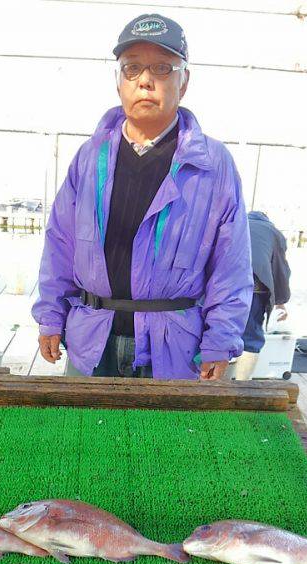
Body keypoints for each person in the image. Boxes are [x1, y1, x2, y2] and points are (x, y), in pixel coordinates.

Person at [33, 13, 253, 380]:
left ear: (184, 82)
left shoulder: (214, 165)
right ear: (118, 82)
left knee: (164, 439)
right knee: (80, 436)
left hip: (175, 350)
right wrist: (51, 316)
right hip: (91, 345)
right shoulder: (89, 157)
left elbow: (232, 264)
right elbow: (60, 243)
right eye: (132, 68)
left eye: (163, 68)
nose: (146, 81)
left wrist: (221, 339)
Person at [235, 210, 291, 379]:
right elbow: (280, 271)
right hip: (254, 290)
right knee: (250, 338)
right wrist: (281, 302)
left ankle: (212, 387)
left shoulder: (235, 223)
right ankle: (241, 386)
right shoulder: (274, 232)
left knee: (218, 332)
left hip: (223, 287)